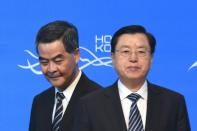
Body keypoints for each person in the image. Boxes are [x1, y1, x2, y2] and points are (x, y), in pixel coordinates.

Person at [73, 25, 191, 131]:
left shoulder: (174, 103)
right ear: (113, 58)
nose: (133, 58)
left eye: (141, 51)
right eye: (125, 51)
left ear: (151, 58)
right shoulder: (89, 105)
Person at [29, 20, 101, 131]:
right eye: (44, 62)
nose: (51, 69)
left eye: (58, 60)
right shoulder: (40, 102)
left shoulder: (100, 101)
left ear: (76, 55)